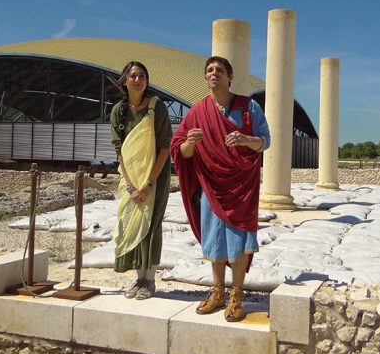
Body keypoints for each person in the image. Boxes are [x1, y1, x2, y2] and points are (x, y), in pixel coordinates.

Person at [171, 56, 270, 322]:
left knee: (238, 243)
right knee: (214, 241)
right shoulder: (196, 112)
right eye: (210, 70)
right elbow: (180, 151)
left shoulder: (249, 107)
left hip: (242, 187)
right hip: (211, 186)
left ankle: (236, 295)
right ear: (206, 77)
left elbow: (265, 141)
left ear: (229, 77)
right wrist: (190, 143)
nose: (214, 73)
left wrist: (246, 139)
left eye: (220, 70)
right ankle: (218, 293)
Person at [110, 61, 172, 299]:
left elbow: (165, 147)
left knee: (151, 223)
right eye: (133, 76)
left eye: (142, 76)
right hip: (130, 178)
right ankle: (138, 279)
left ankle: (150, 281)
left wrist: (148, 184)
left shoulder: (157, 107)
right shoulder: (118, 111)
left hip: (155, 175)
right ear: (125, 80)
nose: (137, 80)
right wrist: (130, 185)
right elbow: (120, 151)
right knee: (131, 222)